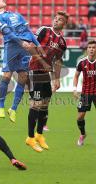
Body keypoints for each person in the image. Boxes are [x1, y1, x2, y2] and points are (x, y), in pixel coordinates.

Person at [0, 0, 45, 123]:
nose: (2, 0)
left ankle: (13, 109)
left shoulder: (16, 15)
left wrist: (38, 44)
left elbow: (28, 31)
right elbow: (7, 32)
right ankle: (0, 106)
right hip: (12, 46)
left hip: (25, 46)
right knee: (7, 75)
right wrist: (20, 42)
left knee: (23, 77)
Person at [26, 11, 68, 152]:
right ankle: (30, 138)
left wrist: (56, 79)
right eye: (55, 18)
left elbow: (57, 61)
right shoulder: (44, 30)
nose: (56, 21)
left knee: (45, 103)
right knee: (36, 104)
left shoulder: (62, 42)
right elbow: (31, 47)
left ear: (64, 24)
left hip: (45, 74)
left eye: (60, 20)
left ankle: (39, 135)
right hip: (35, 69)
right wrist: (44, 64)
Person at [73, 40, 96, 146]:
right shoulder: (82, 62)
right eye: (90, 47)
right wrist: (74, 88)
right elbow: (76, 76)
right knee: (80, 117)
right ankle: (83, 134)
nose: (92, 49)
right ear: (87, 49)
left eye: (94, 47)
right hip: (85, 93)